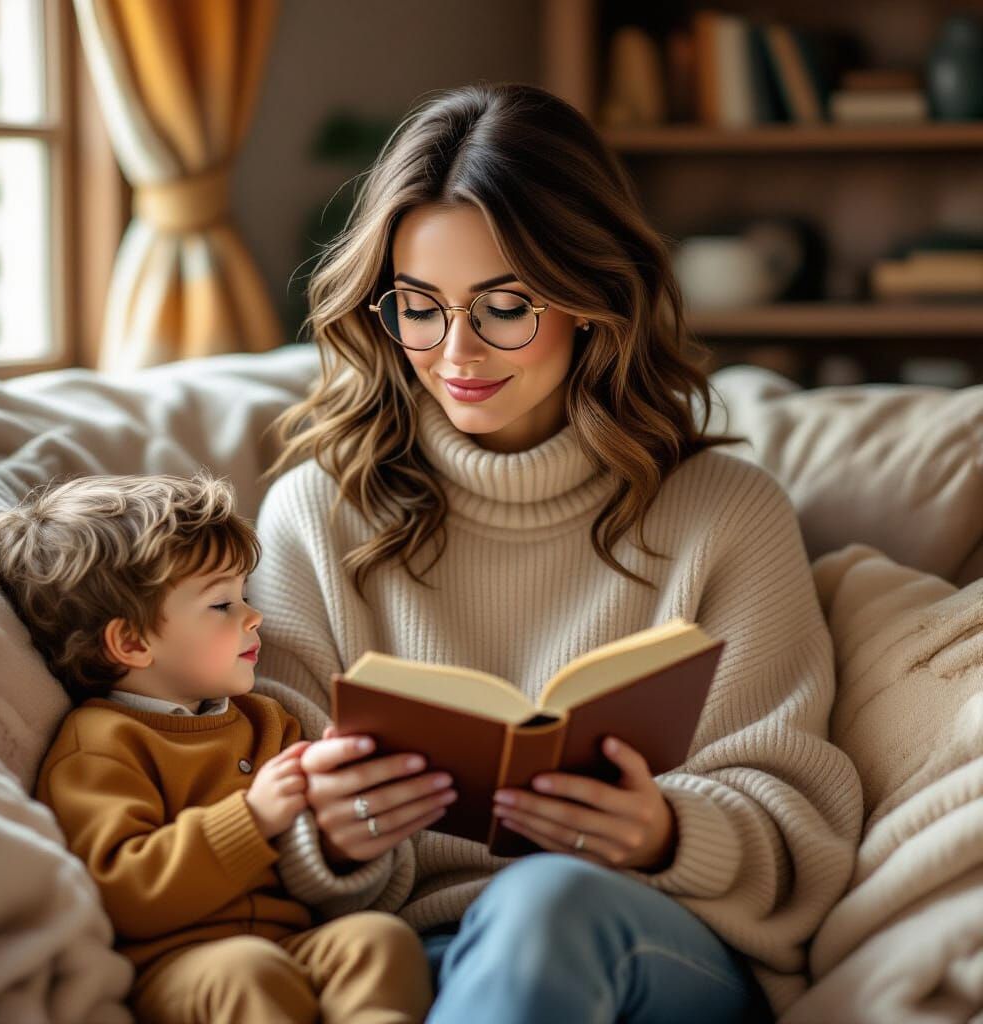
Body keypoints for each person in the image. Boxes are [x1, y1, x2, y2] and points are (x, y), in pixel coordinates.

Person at [249, 82, 863, 1024]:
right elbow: (264, 804)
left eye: (504, 307)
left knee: (545, 902)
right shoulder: (315, 517)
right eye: (418, 306)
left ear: (593, 300)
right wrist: (331, 832)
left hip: (657, 945)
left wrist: (666, 830)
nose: (456, 351)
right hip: (405, 956)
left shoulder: (725, 515)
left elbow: (797, 819)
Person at [0, 471, 432, 1024]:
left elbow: (310, 862)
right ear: (132, 641)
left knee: (377, 939)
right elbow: (122, 893)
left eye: (244, 594)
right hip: (181, 967)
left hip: (292, 944)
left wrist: (330, 804)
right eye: (222, 605)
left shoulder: (266, 719)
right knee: (246, 972)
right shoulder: (100, 744)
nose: (253, 614)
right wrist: (251, 816)